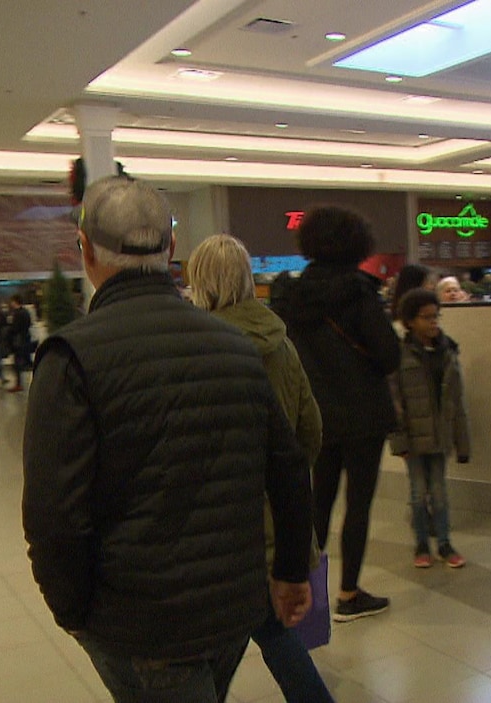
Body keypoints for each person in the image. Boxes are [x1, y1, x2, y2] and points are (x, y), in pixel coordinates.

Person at [22, 177, 314, 703]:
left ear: (84, 251)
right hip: (232, 606)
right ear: (171, 249)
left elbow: (54, 514)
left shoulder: (71, 358)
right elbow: (288, 466)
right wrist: (291, 569)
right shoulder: (235, 344)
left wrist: (73, 613)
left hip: (138, 621)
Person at [186, 234, 334, 703]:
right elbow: (310, 431)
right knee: (270, 629)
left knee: (233, 638)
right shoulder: (281, 345)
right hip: (278, 520)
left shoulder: (196, 351)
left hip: (222, 528)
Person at [280, 205, 400, 623]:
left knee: (318, 505)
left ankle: (307, 596)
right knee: (358, 504)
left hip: (317, 415)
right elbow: (389, 355)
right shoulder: (358, 293)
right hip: (364, 415)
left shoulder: (291, 296)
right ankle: (349, 592)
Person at [388, 288, 471, 569]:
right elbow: (395, 403)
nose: (433, 322)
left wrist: (463, 444)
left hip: (440, 438)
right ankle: (421, 543)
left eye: (436, 316)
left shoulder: (448, 353)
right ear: (409, 321)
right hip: (413, 440)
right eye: (426, 317)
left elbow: (457, 403)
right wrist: (400, 442)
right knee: (417, 492)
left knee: (439, 492)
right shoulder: (400, 356)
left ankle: (445, 543)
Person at [7, 295, 33, 392]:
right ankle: (21, 383)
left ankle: (18, 384)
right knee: (24, 360)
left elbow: (14, 328)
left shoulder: (17, 314)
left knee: (17, 362)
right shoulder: (26, 312)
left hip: (18, 341)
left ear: (15, 302)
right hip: (25, 339)